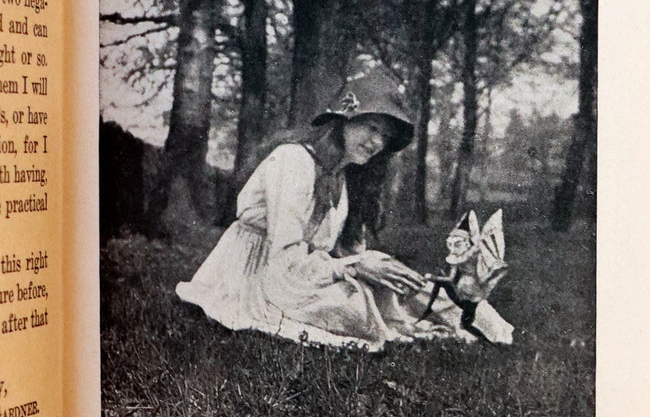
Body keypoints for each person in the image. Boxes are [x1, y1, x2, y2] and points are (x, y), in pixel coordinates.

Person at [176, 69, 512, 350]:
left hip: (305, 274)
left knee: (387, 286)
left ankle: (469, 310)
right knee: (357, 304)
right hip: (260, 275)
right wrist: (356, 266)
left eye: (385, 136)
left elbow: (347, 256)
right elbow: (285, 260)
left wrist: (378, 268)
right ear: (343, 120)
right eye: (371, 127)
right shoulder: (292, 161)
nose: (377, 142)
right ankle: (430, 324)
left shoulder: (342, 180)